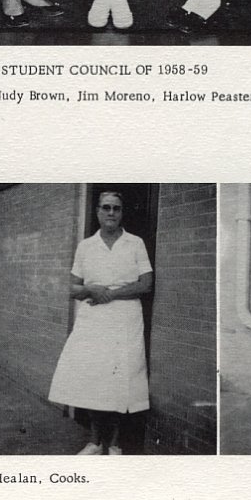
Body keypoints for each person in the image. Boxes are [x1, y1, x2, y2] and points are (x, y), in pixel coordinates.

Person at [49, 191, 153, 455]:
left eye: (116, 208)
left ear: (122, 213)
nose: (111, 213)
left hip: (125, 319)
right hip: (93, 320)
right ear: (97, 211)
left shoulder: (135, 243)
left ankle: (115, 444)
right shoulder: (86, 246)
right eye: (106, 207)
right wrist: (93, 289)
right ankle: (95, 442)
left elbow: (146, 284)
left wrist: (112, 293)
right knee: (93, 377)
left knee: (120, 377)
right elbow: (72, 287)